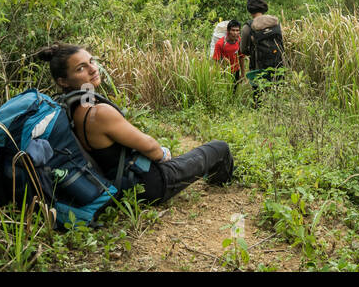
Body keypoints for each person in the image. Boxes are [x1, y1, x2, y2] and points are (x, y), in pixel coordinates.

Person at [34, 44, 233, 203]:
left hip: (116, 181)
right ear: (63, 81)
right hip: (147, 185)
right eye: (81, 68)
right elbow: (151, 148)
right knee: (219, 148)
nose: (93, 69)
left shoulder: (71, 106)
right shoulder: (98, 113)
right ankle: (221, 188)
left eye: (91, 61)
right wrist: (163, 153)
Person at [239, 0, 284, 104]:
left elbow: (243, 49)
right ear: (264, 7)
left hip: (258, 67)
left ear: (249, 9)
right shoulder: (275, 22)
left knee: (259, 96)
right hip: (278, 65)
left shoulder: (248, 27)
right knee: (278, 93)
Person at [213, 19, 243, 85]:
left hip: (236, 71)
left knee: (234, 92)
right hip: (224, 72)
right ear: (228, 31)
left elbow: (241, 57)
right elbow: (216, 61)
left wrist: (243, 74)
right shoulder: (220, 44)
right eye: (233, 30)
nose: (235, 33)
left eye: (237, 30)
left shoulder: (239, 40)